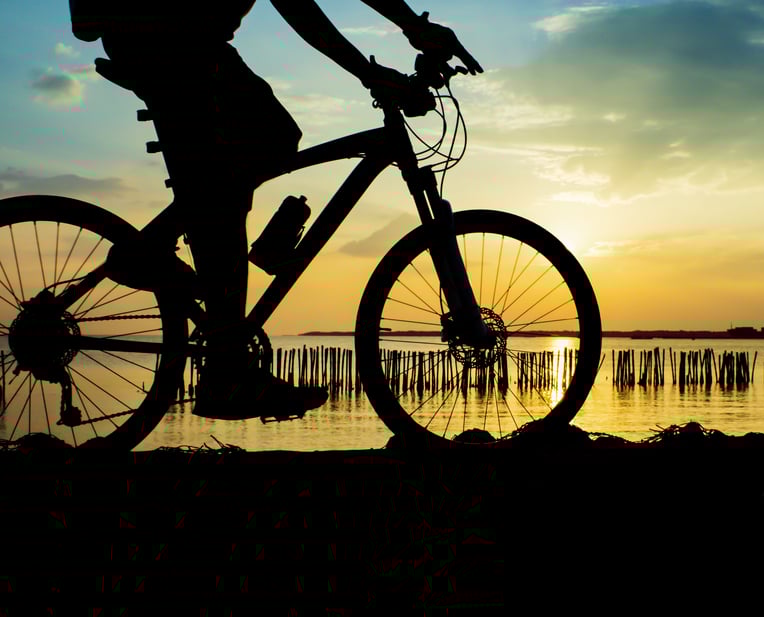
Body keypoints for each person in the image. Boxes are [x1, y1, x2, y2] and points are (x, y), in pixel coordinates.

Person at [68, 0, 482, 419]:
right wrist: (371, 70)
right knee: (242, 170)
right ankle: (226, 374)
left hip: (182, 45)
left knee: (265, 148)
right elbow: (297, 6)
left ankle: (162, 254)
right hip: (172, 47)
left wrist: (412, 26)